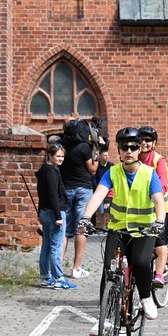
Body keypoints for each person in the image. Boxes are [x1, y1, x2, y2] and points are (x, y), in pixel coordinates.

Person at [80, 127, 166, 335]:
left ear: (139, 150)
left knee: (141, 262)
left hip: (144, 230)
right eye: (124, 147)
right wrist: (85, 218)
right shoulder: (112, 173)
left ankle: (145, 298)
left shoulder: (149, 174)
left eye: (133, 147)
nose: (129, 151)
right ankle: (106, 320)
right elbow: (98, 196)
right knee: (109, 271)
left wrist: (160, 221)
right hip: (118, 230)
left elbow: (158, 201)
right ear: (118, 150)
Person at [61, 118, 99, 279]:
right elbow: (92, 170)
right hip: (83, 189)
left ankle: (57, 268)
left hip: (66, 188)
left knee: (64, 231)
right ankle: (76, 268)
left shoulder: (61, 145)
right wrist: (96, 154)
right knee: (81, 228)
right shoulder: (84, 147)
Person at [36, 144, 75, 290]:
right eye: (58, 156)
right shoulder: (52, 172)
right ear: (50, 156)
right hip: (55, 213)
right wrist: (59, 216)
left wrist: (40, 213)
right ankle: (59, 278)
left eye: (62, 156)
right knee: (55, 247)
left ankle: (46, 277)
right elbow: (53, 195)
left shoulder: (43, 171)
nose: (61, 159)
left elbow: (42, 194)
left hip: (45, 212)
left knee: (46, 246)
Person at [138, 125, 168, 288]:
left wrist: (153, 193)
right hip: (141, 207)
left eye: (148, 140)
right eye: (141, 139)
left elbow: (163, 184)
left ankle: (159, 274)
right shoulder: (133, 157)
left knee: (159, 240)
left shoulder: (158, 160)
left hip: (161, 207)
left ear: (154, 143)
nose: (144, 142)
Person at [91, 149, 114, 229]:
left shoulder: (111, 166)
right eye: (105, 155)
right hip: (99, 189)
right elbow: (93, 177)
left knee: (110, 210)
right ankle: (102, 227)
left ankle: (110, 226)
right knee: (101, 210)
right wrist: (97, 187)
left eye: (107, 155)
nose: (107, 157)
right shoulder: (97, 167)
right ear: (100, 157)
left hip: (110, 190)